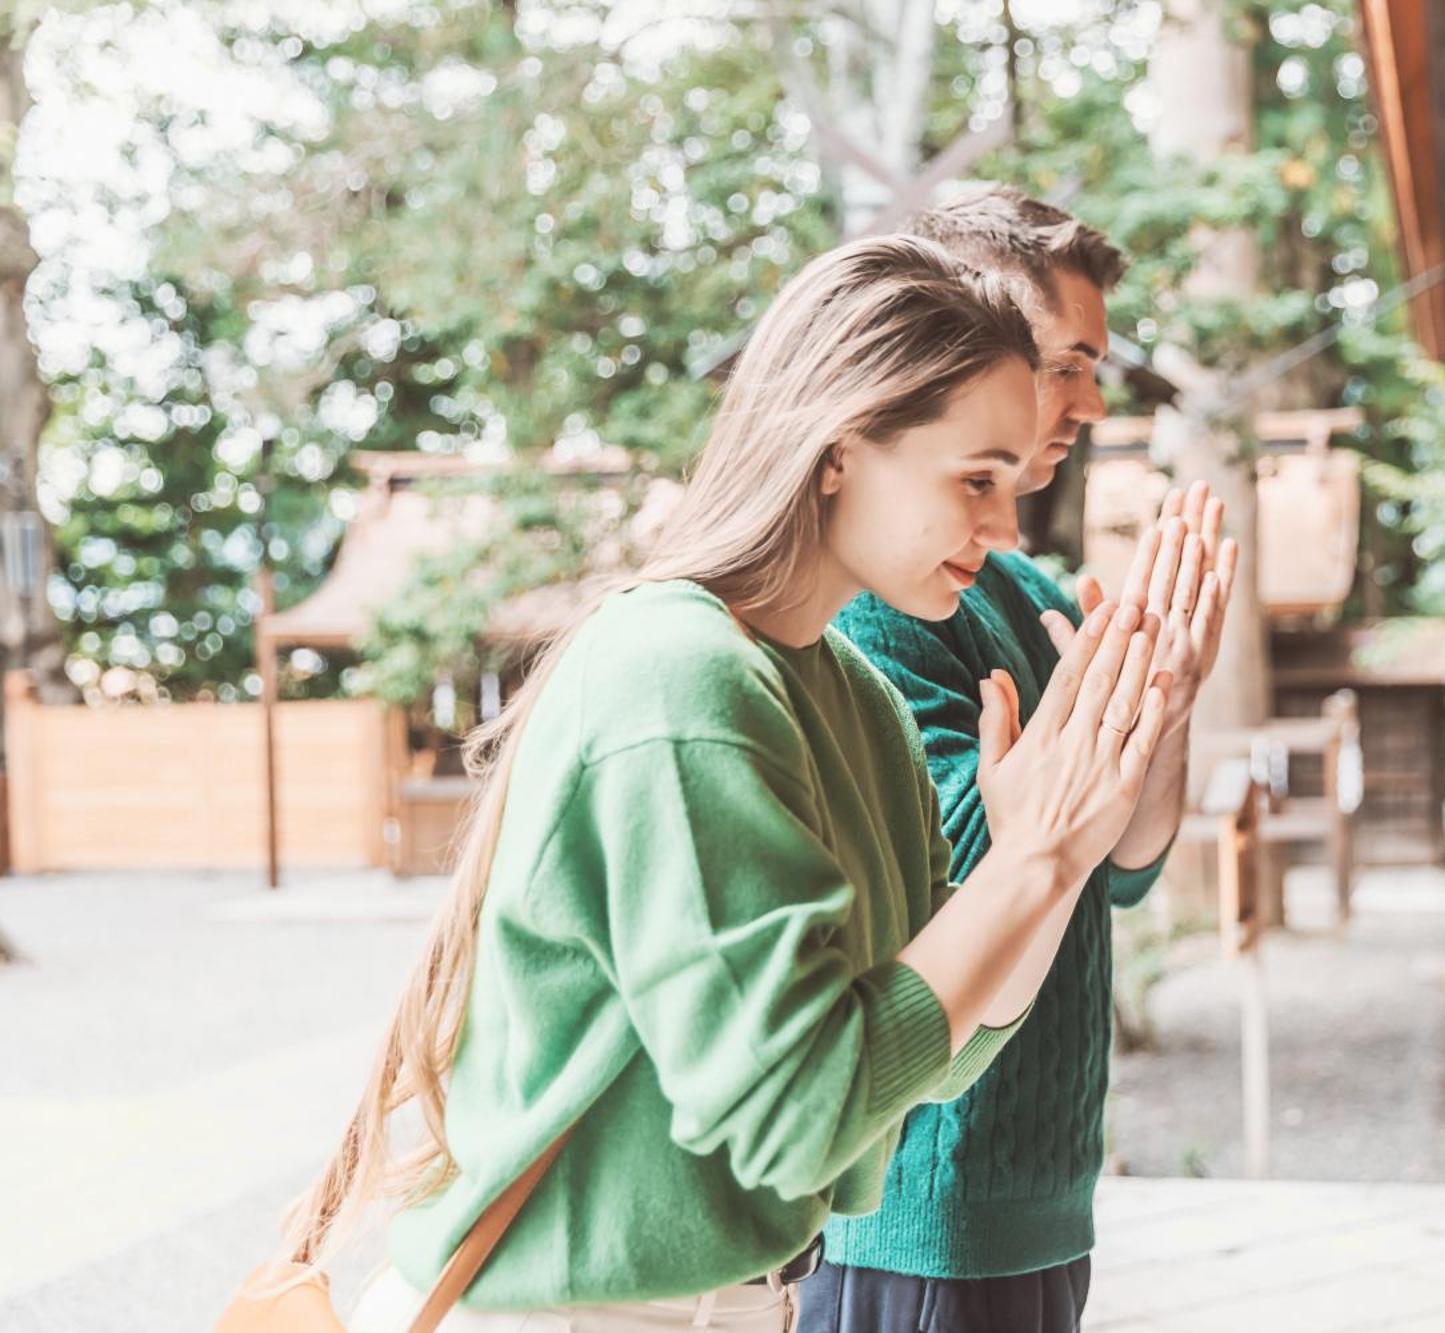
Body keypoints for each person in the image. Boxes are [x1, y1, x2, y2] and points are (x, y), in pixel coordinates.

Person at [239, 235, 1177, 1333]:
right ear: (838, 447)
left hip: (740, 1305)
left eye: (1011, 486)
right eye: (974, 479)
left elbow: (934, 1056)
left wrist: (1044, 866)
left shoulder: (853, 695)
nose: (1004, 528)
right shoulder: (679, 675)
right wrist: (1027, 862)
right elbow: (798, 1110)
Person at [798, 188, 1238, 1333]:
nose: (1089, 402)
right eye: (1068, 362)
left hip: (1040, 1185)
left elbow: (1121, 867)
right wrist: (1096, 732)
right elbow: (961, 880)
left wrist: (1164, 706)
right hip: (922, 1193)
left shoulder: (1016, 590)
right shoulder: (875, 606)